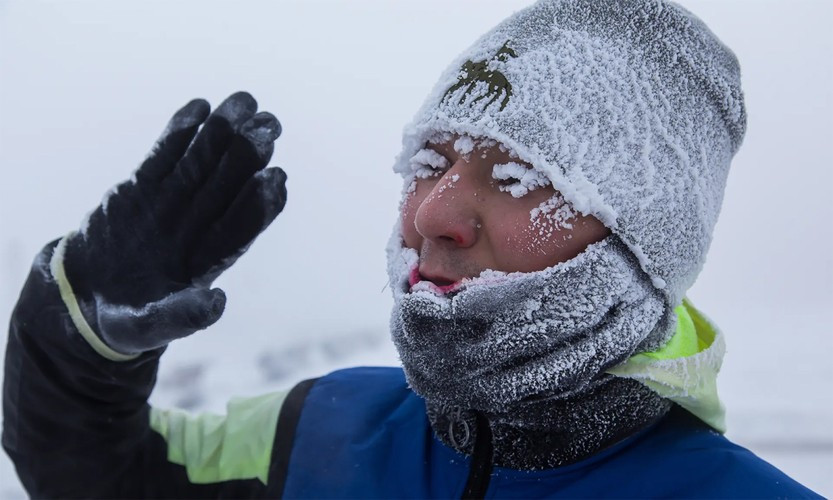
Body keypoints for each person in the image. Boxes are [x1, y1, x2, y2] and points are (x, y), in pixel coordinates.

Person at [2, 0, 821, 498]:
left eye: (518, 173)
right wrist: (80, 334)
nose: (432, 213)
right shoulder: (315, 430)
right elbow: (102, 476)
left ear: (646, 237)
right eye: (428, 163)